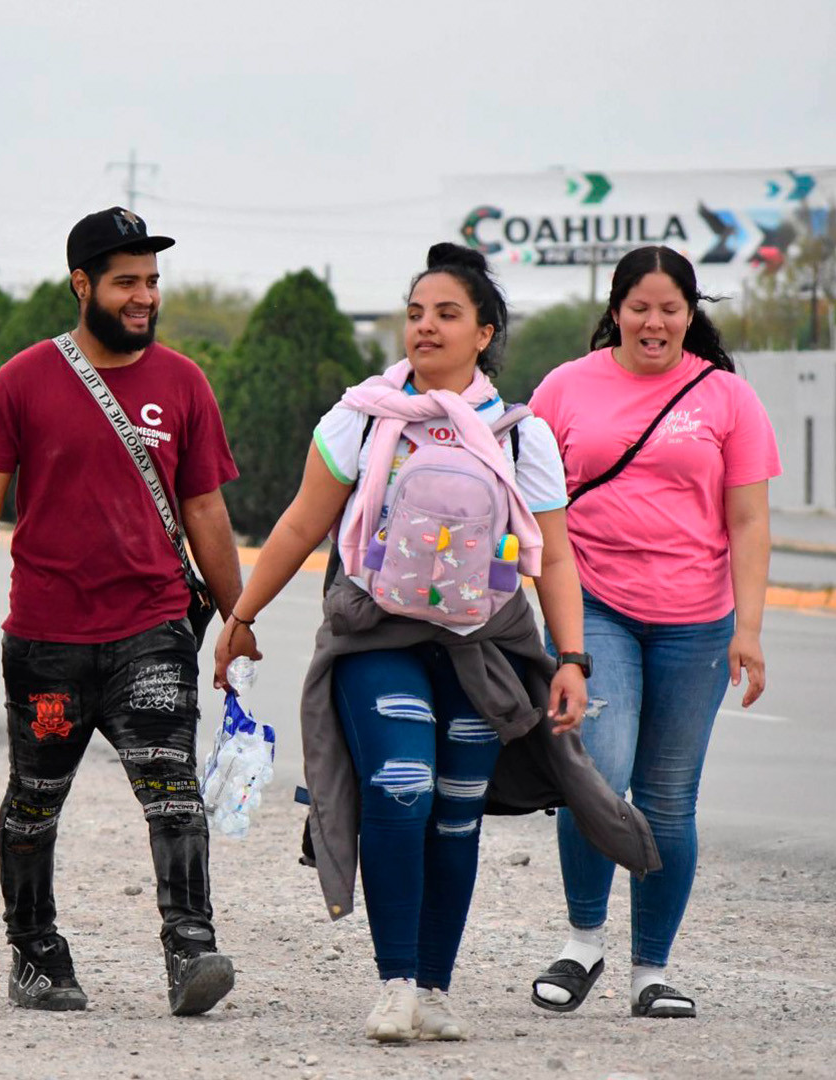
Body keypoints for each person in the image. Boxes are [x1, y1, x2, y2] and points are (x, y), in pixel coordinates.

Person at [217, 244, 648, 1043]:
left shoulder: (523, 437)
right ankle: (395, 983)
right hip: (375, 636)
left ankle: (438, 989)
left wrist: (573, 659)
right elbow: (302, 524)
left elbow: (554, 559)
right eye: (416, 314)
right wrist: (240, 615)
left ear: (484, 333)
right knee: (400, 787)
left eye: (447, 314)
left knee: (455, 814)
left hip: (483, 646)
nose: (426, 327)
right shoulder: (362, 418)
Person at [0, 207, 245, 1017]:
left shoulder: (184, 384)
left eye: (152, 283)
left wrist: (237, 616)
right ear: (82, 284)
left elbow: (205, 511)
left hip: (153, 630)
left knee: (172, 789)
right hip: (47, 641)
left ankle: (190, 950)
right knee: (34, 801)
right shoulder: (24, 379)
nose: (144, 297)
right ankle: (36, 957)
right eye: (127, 282)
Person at [526, 245, 779, 1021]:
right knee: (594, 777)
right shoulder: (565, 388)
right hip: (593, 605)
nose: (655, 322)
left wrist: (750, 628)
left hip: (697, 623)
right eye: (640, 306)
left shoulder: (728, 397)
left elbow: (748, 519)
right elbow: (535, 503)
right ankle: (581, 943)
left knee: (668, 799)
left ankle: (651, 970)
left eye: (671, 308)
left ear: (690, 315)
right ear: (614, 310)